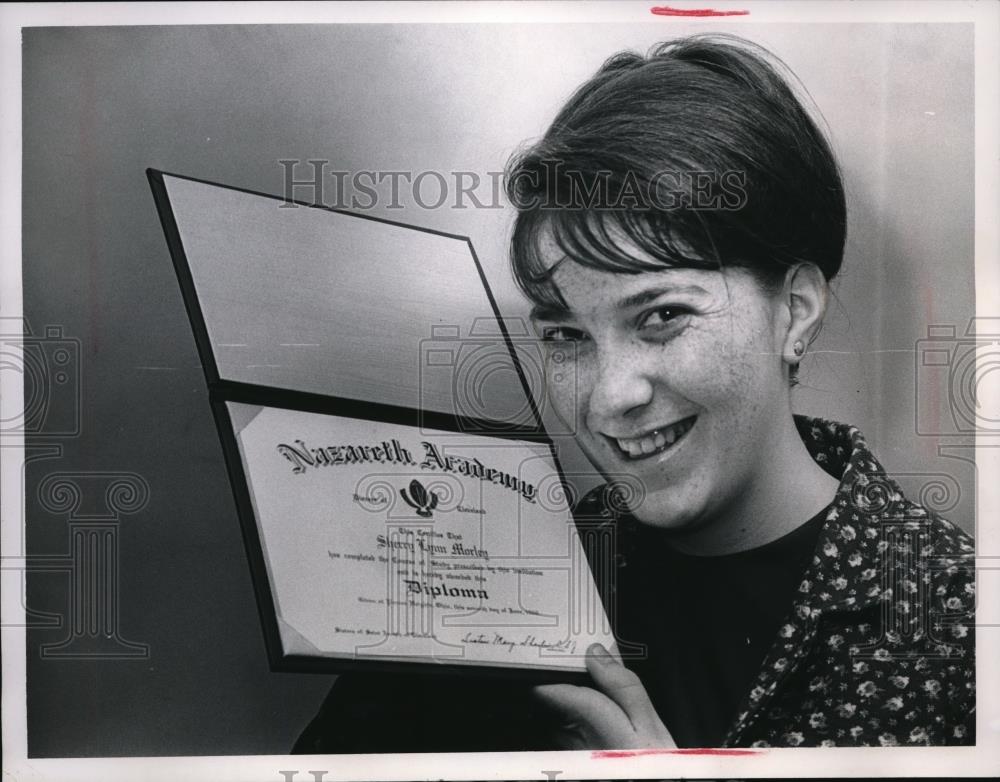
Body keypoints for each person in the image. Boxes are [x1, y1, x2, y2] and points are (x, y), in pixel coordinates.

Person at [293, 33, 975, 752]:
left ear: (794, 311)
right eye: (567, 335)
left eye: (662, 316)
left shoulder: (958, 622)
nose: (610, 397)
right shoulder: (512, 567)